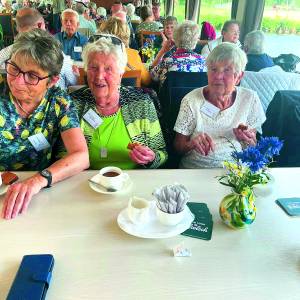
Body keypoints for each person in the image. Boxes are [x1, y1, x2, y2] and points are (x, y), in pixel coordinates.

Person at [0, 29, 89, 219]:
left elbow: (81, 156)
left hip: (39, 196)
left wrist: (38, 181)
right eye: (14, 68)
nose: (17, 81)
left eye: (32, 76)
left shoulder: (58, 101)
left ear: (52, 81)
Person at [69, 36, 167, 169]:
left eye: (108, 69)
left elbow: (161, 153)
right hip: (85, 182)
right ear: (86, 70)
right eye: (93, 67)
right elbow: (63, 154)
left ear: (121, 74)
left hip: (133, 182)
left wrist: (151, 158)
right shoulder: (74, 103)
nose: (99, 76)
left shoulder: (141, 102)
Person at [174, 42, 266, 168]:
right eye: (213, 69)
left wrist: (248, 140)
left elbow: (253, 145)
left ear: (239, 76)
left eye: (227, 70)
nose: (218, 76)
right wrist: (191, 144)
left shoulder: (250, 99)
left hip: (235, 172)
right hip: (196, 169)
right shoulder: (191, 100)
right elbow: (177, 147)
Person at [0, 7, 77, 90]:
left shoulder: (4, 54)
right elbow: (73, 82)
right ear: (40, 25)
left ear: (17, 28)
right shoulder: (59, 56)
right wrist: (75, 74)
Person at [151, 20, 206, 86]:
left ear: (175, 38)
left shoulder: (168, 62)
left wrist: (162, 51)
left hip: (171, 96)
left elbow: (152, 76)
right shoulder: (204, 62)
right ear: (196, 40)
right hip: (194, 96)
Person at [99, 17, 151, 86]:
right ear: (126, 35)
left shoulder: (93, 55)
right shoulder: (133, 55)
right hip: (131, 96)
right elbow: (147, 81)